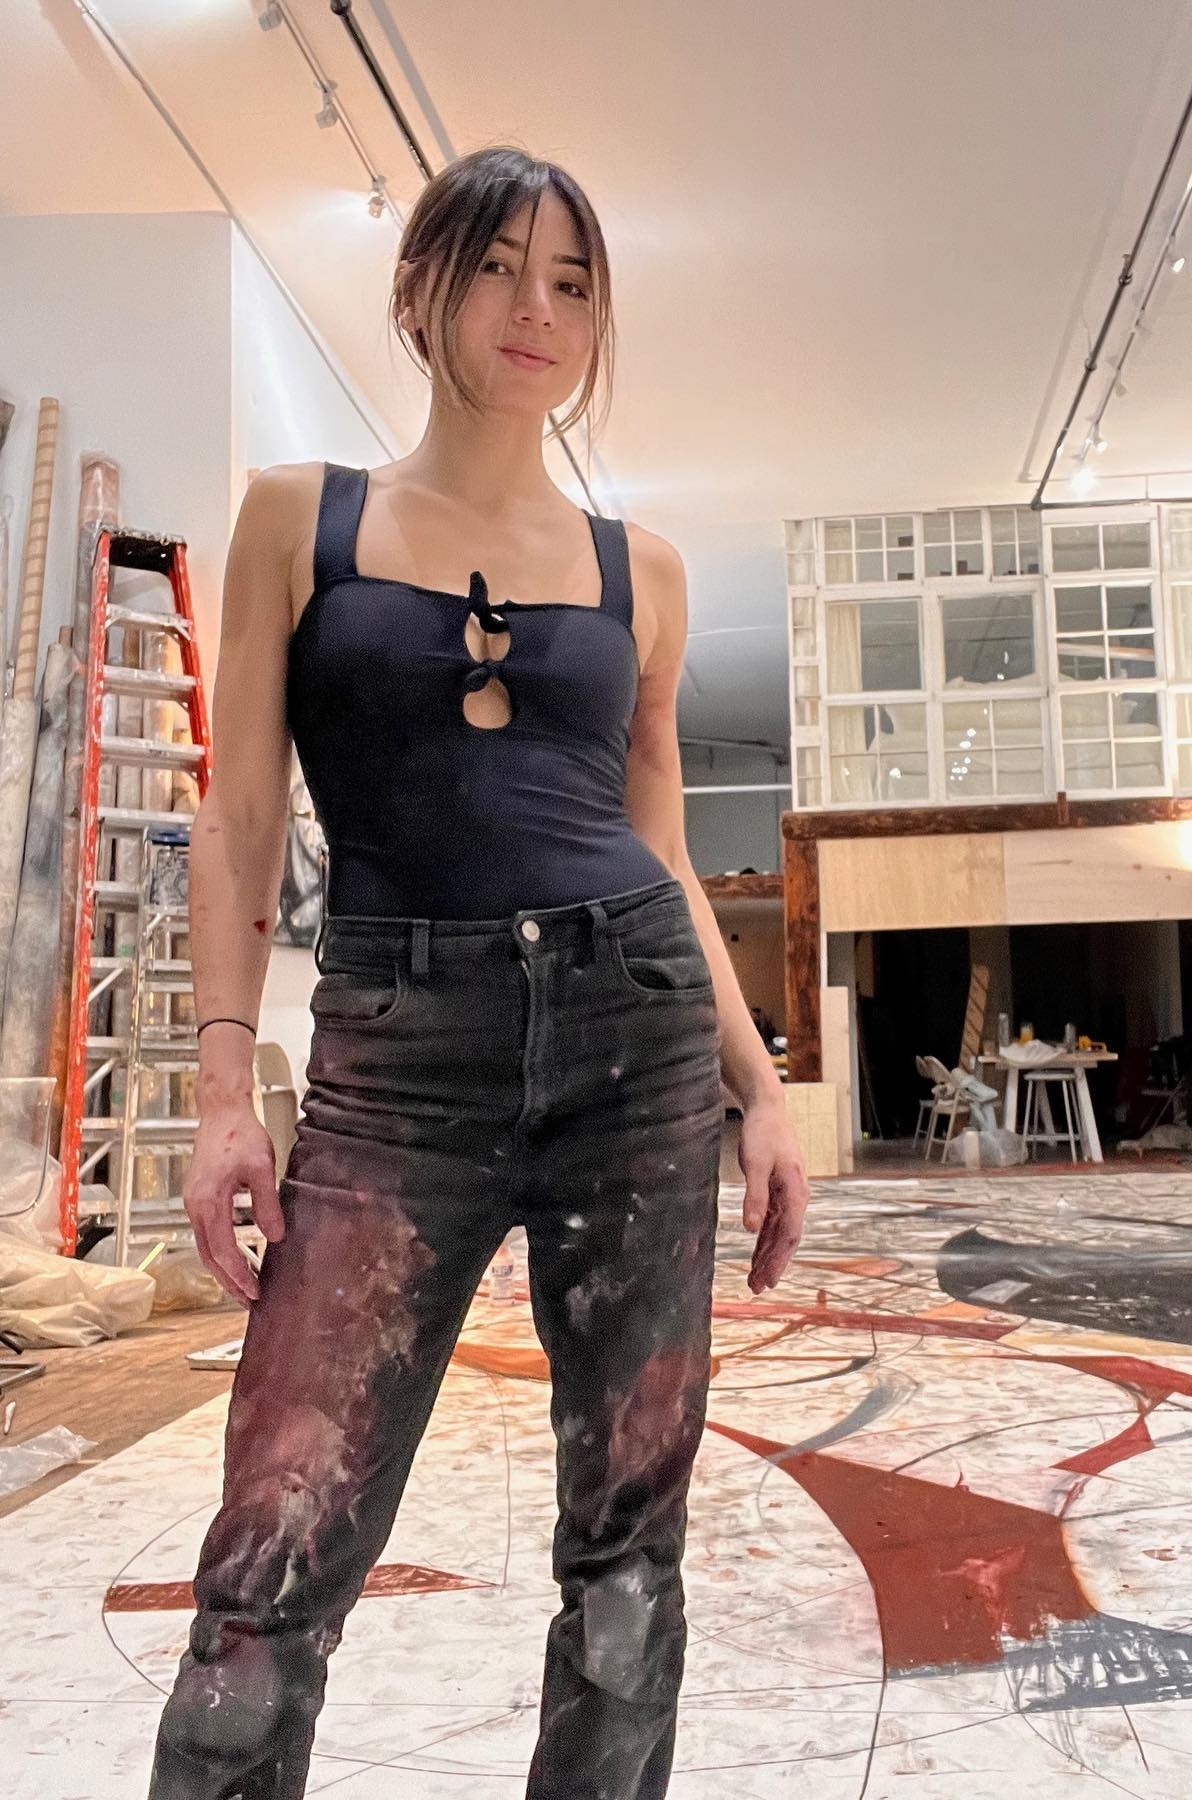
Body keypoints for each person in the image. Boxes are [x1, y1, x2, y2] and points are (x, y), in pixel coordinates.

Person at [148, 144, 810, 1800]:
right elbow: (239, 815)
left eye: (572, 282)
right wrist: (223, 1093)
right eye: (501, 267)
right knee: (272, 1556)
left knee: (629, 1559)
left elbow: (662, 844)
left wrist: (761, 1085)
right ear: (419, 286)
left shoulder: (642, 571)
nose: (538, 308)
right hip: (396, 1058)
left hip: (633, 1039)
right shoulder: (302, 518)